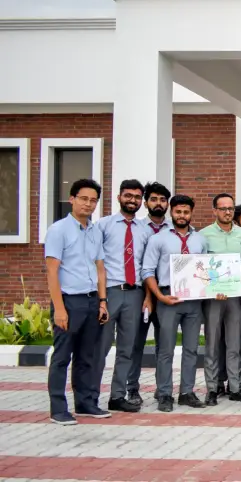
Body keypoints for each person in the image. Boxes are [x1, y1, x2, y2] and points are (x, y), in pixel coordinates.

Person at [45, 178, 108, 425]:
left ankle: (85, 403)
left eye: (93, 200)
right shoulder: (58, 230)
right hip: (69, 302)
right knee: (62, 357)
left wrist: (103, 302)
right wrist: (59, 308)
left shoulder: (94, 231)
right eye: (84, 199)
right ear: (72, 199)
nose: (88, 204)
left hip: (92, 301)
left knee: (86, 356)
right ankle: (58, 408)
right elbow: (52, 271)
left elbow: (100, 268)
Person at [142, 194, 209, 412]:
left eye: (186, 212)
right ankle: (164, 394)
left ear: (191, 213)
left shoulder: (199, 240)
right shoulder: (159, 239)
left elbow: (205, 270)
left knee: (191, 349)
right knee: (166, 350)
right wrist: (159, 297)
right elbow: (147, 271)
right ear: (172, 212)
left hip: (193, 300)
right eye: (178, 211)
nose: (182, 215)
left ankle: (187, 392)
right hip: (167, 298)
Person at [92, 178, 149, 414]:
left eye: (137, 197)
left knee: (127, 348)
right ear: (119, 197)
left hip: (135, 294)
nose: (132, 200)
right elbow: (96, 262)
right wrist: (101, 298)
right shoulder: (103, 226)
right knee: (100, 347)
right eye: (128, 195)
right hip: (110, 293)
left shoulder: (145, 230)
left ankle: (117, 396)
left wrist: (147, 297)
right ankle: (90, 395)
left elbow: (147, 266)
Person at [200, 193, 241, 405]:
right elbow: (201, 268)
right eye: (223, 208)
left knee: (234, 343)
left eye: (230, 208)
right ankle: (212, 388)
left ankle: (235, 386)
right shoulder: (204, 235)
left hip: (236, 295)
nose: (227, 212)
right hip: (213, 297)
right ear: (214, 211)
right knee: (212, 342)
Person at [127, 181, 171, 406]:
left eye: (163, 200)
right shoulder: (137, 228)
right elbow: (143, 266)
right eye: (154, 199)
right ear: (146, 203)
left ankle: (162, 389)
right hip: (140, 294)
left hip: (165, 294)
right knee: (137, 342)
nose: (158, 203)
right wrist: (147, 296)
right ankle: (132, 388)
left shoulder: (173, 230)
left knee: (164, 345)